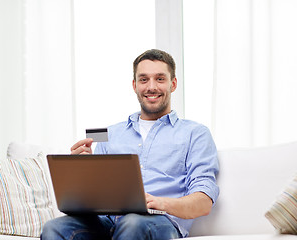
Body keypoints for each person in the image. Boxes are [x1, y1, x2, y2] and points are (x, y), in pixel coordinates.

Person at [41, 49, 219, 240]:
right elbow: (94, 195)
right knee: (54, 228)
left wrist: (159, 202)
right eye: (144, 80)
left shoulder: (195, 133)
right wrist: (78, 172)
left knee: (132, 222)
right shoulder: (109, 133)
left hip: (158, 222)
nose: (151, 87)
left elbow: (203, 202)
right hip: (107, 221)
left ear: (173, 84)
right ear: (134, 85)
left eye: (160, 79)